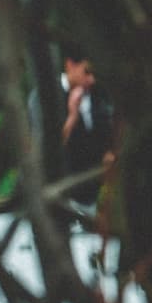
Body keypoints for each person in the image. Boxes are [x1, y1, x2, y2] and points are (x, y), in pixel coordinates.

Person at [29, 42, 115, 207]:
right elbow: (45, 152)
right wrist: (72, 117)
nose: (91, 80)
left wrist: (109, 152)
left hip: (99, 197)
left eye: (94, 74)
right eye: (87, 72)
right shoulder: (43, 98)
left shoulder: (98, 95)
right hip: (63, 197)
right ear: (70, 65)